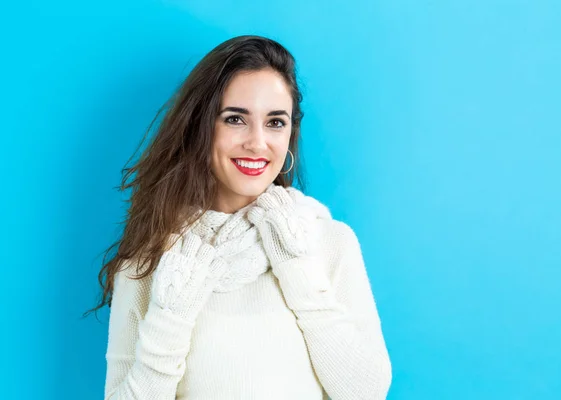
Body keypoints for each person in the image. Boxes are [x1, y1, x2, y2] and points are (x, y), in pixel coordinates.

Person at [88, 35, 392, 399]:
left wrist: (297, 268)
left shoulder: (328, 243)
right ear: (201, 128)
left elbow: (366, 392)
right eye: (235, 119)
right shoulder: (151, 259)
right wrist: (171, 318)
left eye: (275, 122)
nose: (257, 142)